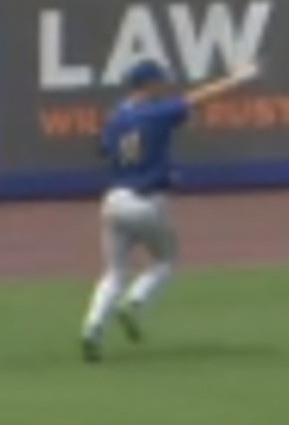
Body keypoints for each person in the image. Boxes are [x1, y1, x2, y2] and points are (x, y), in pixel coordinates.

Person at [84, 58, 258, 363]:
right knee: (165, 261)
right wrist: (235, 80)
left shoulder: (115, 117)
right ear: (147, 84)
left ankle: (92, 326)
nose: (163, 85)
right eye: (158, 81)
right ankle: (134, 302)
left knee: (114, 272)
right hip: (147, 201)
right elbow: (195, 99)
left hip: (113, 200)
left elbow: (102, 150)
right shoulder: (156, 112)